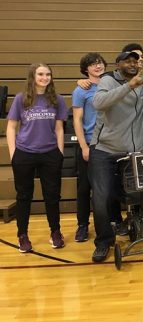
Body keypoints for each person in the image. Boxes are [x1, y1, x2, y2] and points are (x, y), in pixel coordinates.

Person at [88, 50, 143, 262]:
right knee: (101, 198)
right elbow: (99, 102)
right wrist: (128, 86)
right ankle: (104, 241)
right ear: (118, 64)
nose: (132, 64)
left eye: (136, 60)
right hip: (104, 149)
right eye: (127, 60)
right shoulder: (107, 80)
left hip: (132, 150)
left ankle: (133, 226)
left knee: (135, 194)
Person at [7, 64, 68, 253]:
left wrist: (59, 152)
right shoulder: (21, 99)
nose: (45, 77)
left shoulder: (57, 100)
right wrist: (13, 154)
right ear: (32, 77)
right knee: (24, 196)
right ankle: (22, 235)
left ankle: (55, 232)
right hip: (24, 153)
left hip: (50, 153)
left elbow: (59, 128)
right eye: (40, 74)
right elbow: (11, 127)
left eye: (48, 74)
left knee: (52, 196)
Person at [72, 53, 107, 242]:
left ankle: (111, 222)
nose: (98, 66)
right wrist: (84, 146)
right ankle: (82, 225)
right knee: (85, 188)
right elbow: (77, 120)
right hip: (89, 144)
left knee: (106, 188)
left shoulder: (109, 84)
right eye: (93, 64)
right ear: (86, 69)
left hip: (108, 143)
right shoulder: (81, 90)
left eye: (100, 62)